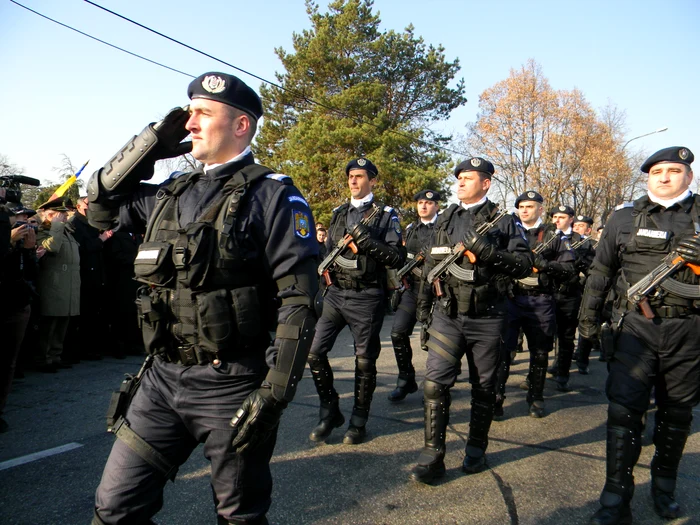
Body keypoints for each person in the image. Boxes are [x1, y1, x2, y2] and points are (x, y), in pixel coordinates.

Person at [88, 72, 319, 525]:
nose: (189, 123)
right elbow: (99, 207)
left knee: (238, 515)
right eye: (188, 112)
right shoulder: (171, 192)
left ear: (240, 126)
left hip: (230, 382)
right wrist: (150, 146)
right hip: (161, 379)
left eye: (203, 114)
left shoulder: (273, 194)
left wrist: (274, 394)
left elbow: (301, 299)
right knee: (114, 508)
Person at [579, 147, 700, 524]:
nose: (664, 177)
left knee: (677, 414)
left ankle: (664, 488)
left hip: (689, 331)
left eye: (674, 170)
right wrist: (587, 320)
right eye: (656, 171)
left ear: (689, 177)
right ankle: (615, 497)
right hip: (634, 329)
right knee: (622, 411)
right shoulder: (623, 218)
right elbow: (601, 271)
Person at [410, 158, 533, 484]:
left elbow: (525, 264)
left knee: (484, 388)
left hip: (488, 317)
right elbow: (429, 269)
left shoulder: (504, 221)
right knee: (435, 384)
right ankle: (432, 453)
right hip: (448, 315)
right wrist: (424, 313)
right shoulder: (446, 218)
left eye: (468, 178)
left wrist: (489, 253)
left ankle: (476, 448)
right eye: (459, 178)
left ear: (486, 183)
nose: (461, 182)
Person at [307, 157, 405, 445]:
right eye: (350, 175)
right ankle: (330, 409)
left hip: (367, 296)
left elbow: (396, 257)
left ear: (372, 180)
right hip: (336, 294)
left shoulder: (386, 215)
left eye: (360, 176)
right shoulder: (338, 213)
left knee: (364, 362)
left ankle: (359, 419)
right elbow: (326, 252)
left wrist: (367, 242)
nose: (353, 180)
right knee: (314, 353)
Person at [495, 191, 575, 419]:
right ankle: (497, 397)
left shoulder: (553, 236)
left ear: (541, 208)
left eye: (530, 206)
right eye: (521, 206)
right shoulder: (508, 232)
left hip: (540, 299)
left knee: (540, 352)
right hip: (511, 297)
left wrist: (545, 265)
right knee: (503, 351)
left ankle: (536, 396)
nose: (525, 210)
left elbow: (569, 270)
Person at [387, 189, 440, 402]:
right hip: (413, 289)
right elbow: (402, 258)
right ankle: (406, 378)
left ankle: (439, 382)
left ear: (436, 205)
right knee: (397, 332)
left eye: (428, 202)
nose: (423, 206)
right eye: (420, 202)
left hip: (437, 290)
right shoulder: (410, 229)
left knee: (436, 340)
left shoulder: (444, 228)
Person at [0, 195, 38, 432]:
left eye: (25, 220)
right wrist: (7, 242)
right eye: (18, 220)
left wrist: (28, 250)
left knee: (7, 363)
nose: (23, 225)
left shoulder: (22, 243)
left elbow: (30, 274)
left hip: (17, 306)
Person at [548, 205, 593, 391]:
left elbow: (592, 271)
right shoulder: (547, 236)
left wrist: (580, 262)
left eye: (562, 217)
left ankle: (562, 374)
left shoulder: (582, 242)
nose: (557, 220)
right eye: (555, 216)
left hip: (569, 294)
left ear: (571, 219)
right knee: (541, 335)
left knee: (566, 337)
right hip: (547, 293)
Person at [34, 198, 81, 372]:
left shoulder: (66, 231)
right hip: (52, 284)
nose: (62, 218)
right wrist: (56, 225)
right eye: (58, 214)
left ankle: (55, 356)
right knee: (49, 323)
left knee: (63, 321)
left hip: (68, 284)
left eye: (62, 215)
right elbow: (51, 247)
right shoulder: (43, 231)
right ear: (47, 215)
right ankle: (42, 359)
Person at [67, 191, 113, 361]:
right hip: (85, 274)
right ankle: (84, 349)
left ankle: (94, 347)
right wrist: (101, 240)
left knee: (95, 313)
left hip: (97, 274)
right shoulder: (75, 224)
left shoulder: (93, 222)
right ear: (79, 206)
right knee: (86, 314)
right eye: (87, 204)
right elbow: (83, 248)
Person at [571, 215, 599, 373]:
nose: (576, 228)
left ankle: (582, 359)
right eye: (574, 225)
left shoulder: (595, 246)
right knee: (565, 328)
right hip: (569, 290)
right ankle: (561, 362)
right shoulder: (565, 243)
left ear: (588, 230)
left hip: (586, 290)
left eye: (580, 226)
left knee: (586, 324)